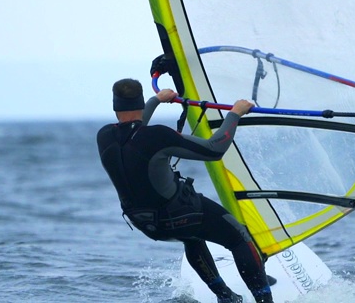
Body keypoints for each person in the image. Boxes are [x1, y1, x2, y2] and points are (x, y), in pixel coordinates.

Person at [96, 78, 273, 303]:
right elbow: (214, 150)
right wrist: (235, 113)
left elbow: (134, 132)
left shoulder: (104, 136)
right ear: (139, 103)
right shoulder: (158, 136)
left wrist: (156, 100)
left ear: (115, 107)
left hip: (145, 223)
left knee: (192, 237)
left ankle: (226, 297)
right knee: (238, 237)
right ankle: (265, 301)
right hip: (180, 215)